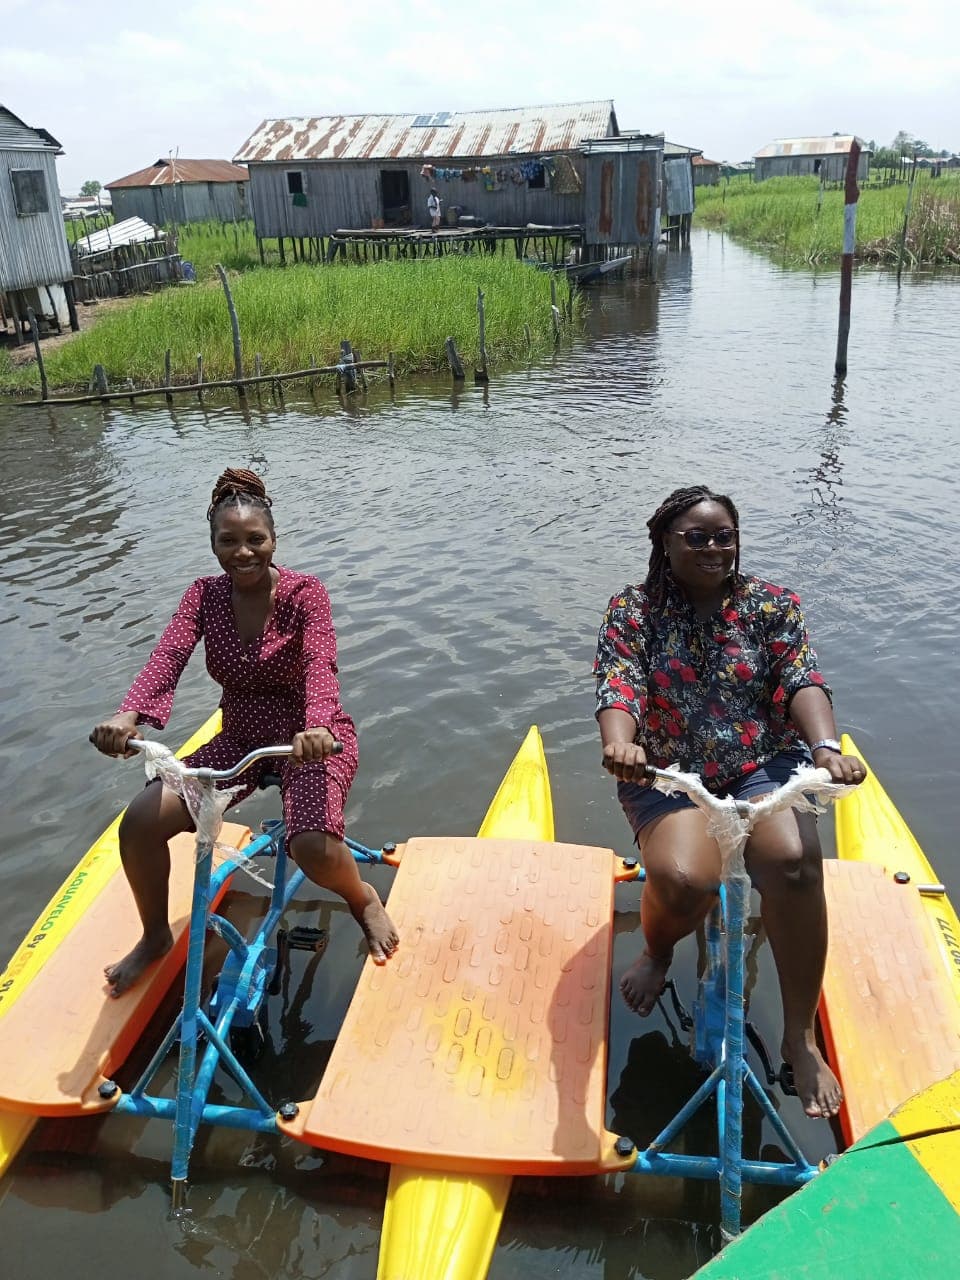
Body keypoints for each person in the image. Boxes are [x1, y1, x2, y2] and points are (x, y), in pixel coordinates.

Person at [594, 484, 865, 1120]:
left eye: (725, 536)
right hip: (668, 771)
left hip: (760, 765)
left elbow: (803, 678)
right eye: (697, 537)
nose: (714, 548)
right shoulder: (632, 611)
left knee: (794, 863)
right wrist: (620, 743)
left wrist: (824, 747)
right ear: (666, 541)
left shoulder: (773, 605)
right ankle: (659, 951)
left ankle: (798, 1037)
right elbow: (618, 682)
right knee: (684, 879)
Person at [90, 467, 398, 996]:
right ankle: (155, 936)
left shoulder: (306, 593)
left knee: (313, 847)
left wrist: (318, 725)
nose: (243, 552)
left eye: (255, 539)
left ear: (273, 539)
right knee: (141, 821)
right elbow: (169, 654)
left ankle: (361, 898)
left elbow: (322, 663)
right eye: (228, 541)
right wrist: (129, 715)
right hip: (240, 738)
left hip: (308, 737)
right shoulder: (203, 596)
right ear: (212, 543)